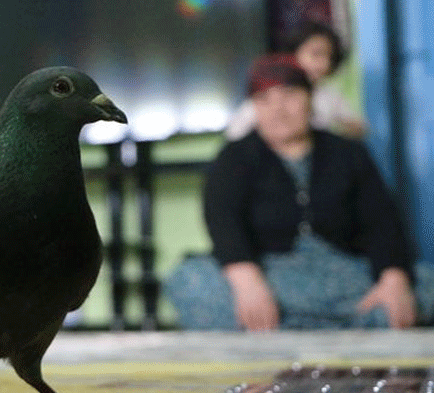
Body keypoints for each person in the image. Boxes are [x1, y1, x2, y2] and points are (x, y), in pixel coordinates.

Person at [165, 54, 434, 331]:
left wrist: (393, 279)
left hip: (344, 274)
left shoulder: (348, 153)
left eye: (289, 95)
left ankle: (294, 328)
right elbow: (223, 223)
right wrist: (247, 281)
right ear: (253, 107)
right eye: (264, 100)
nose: (278, 110)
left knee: (424, 284)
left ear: (311, 97)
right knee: (191, 280)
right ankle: (349, 327)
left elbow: (383, 222)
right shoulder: (234, 158)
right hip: (270, 276)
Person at [224, 20, 366, 141]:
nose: (324, 63)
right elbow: (234, 134)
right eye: (316, 54)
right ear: (293, 53)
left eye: (329, 57)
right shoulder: (271, 92)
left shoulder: (328, 95)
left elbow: (358, 127)